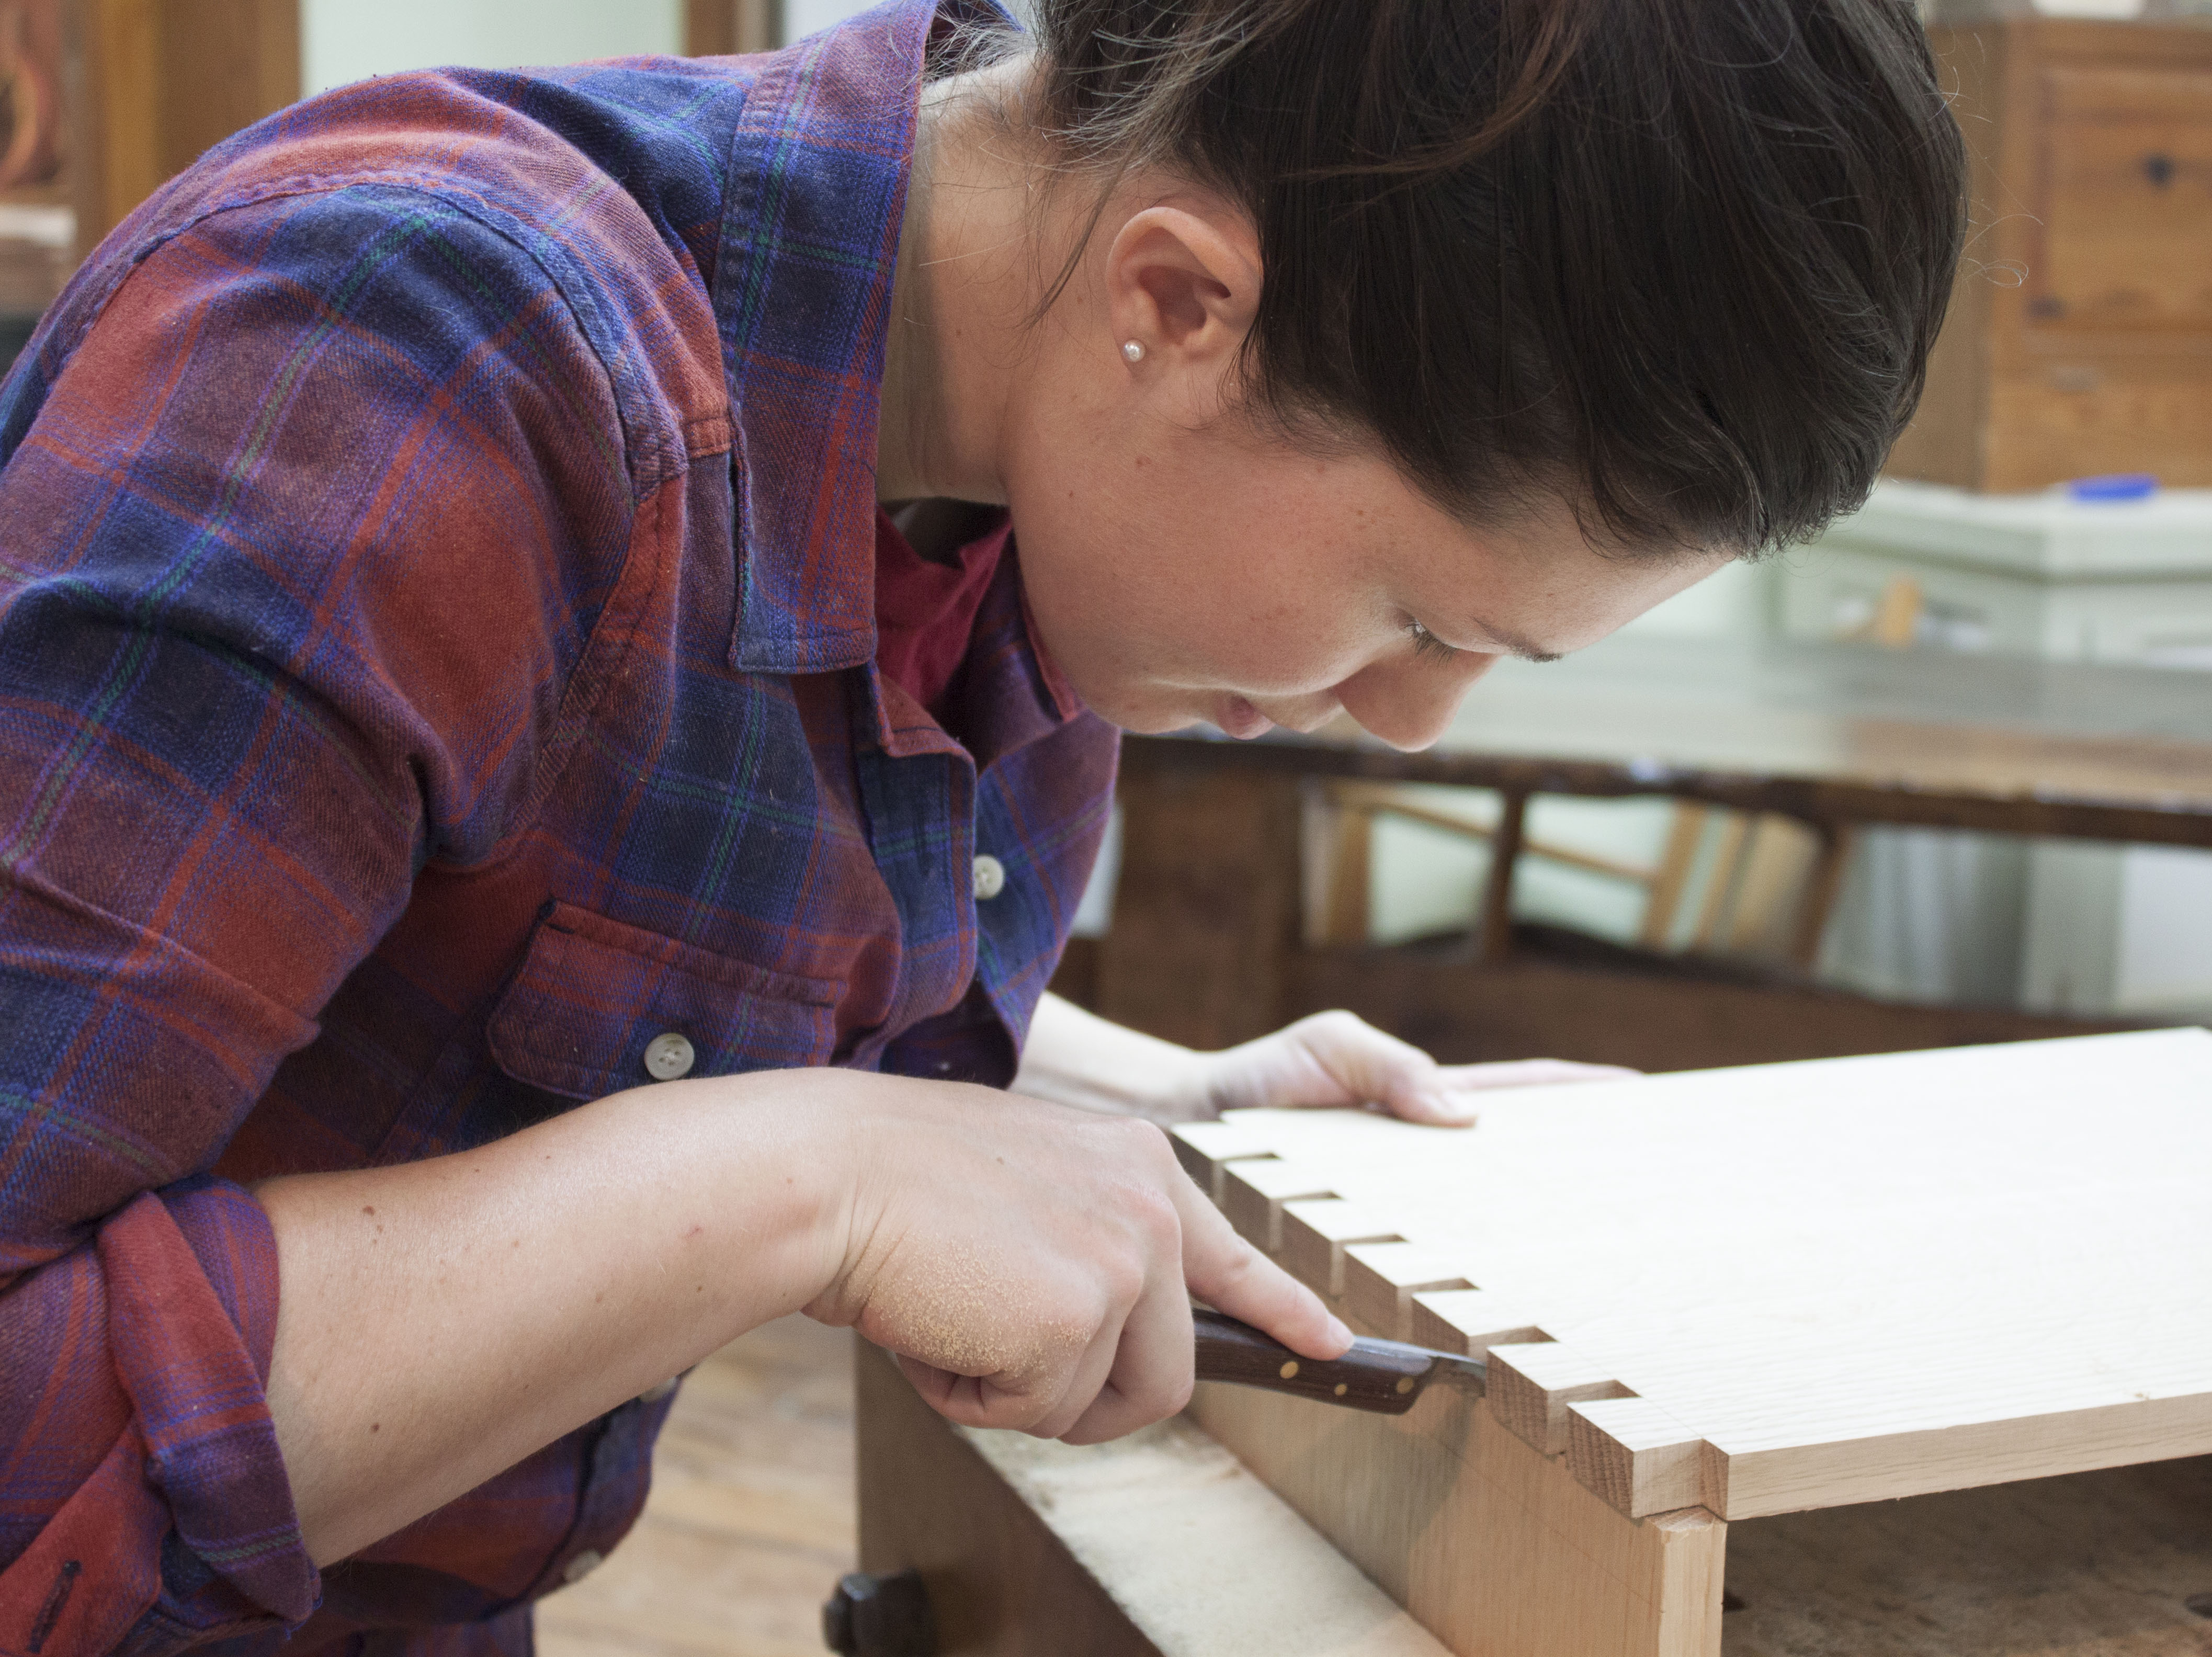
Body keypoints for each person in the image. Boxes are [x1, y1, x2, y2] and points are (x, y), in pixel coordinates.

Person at [0, 0, 1965, 1650]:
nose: (1410, 726)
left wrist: (1136, 1104)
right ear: (1183, 307)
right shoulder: (404, 359)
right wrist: (822, 1179)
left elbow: (556, 956)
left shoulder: (1014, 483)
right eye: (1423, 618)